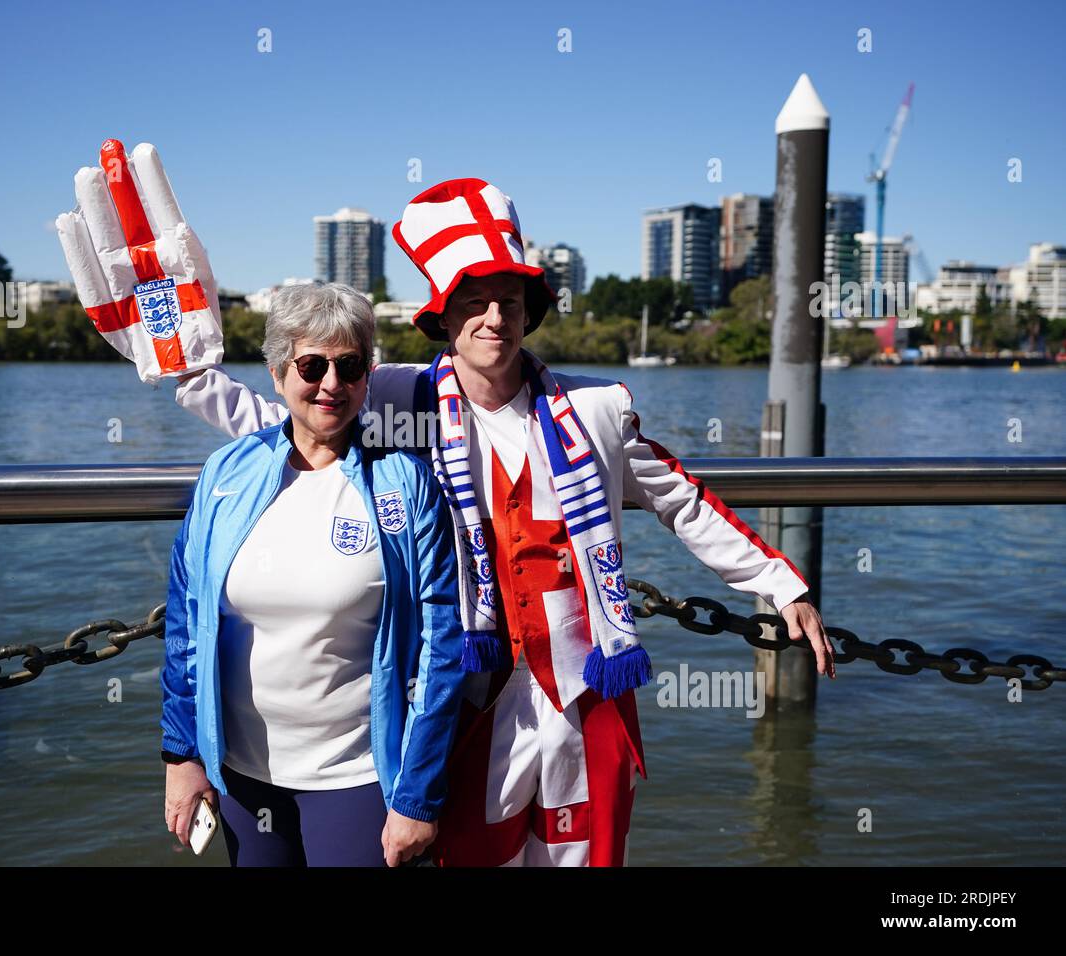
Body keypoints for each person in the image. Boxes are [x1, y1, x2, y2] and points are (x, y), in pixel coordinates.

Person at [57, 144, 836, 867]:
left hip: (584, 691)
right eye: (475, 302)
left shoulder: (596, 409)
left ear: (531, 311)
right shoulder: (402, 397)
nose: (495, 317)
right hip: (473, 694)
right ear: (444, 319)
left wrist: (781, 584)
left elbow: (681, 500)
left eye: (510, 299)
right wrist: (181, 360)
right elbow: (291, 414)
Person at [157, 282, 466, 866]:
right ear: (277, 374)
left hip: (358, 776)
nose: (331, 384)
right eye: (311, 364)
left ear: (367, 377)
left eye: (349, 366)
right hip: (242, 774)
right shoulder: (228, 472)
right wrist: (182, 755)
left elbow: (440, 652)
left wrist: (418, 798)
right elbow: (186, 619)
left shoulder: (404, 483)